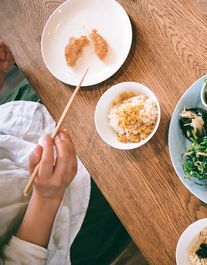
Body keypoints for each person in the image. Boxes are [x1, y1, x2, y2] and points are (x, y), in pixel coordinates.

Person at [0, 39, 131, 265]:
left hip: (14, 124)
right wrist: (46, 197)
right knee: (137, 165)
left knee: (65, 76)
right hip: (49, 228)